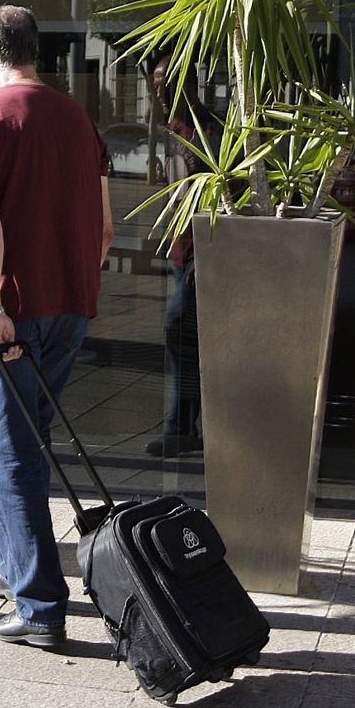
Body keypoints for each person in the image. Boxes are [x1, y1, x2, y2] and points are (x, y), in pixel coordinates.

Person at [0, 5, 113, 648]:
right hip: (72, 304)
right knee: (29, 439)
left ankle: (39, 606)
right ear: (32, 53)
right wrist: (78, 285)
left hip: (12, 311)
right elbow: (104, 228)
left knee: (13, 454)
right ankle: (17, 565)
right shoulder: (77, 117)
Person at [146, 53, 205, 457]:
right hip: (179, 251)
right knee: (182, 338)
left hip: (200, 253)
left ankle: (181, 428)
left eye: (167, 82)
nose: (160, 90)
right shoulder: (171, 130)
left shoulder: (201, 131)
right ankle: (182, 426)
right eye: (156, 84)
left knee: (180, 335)